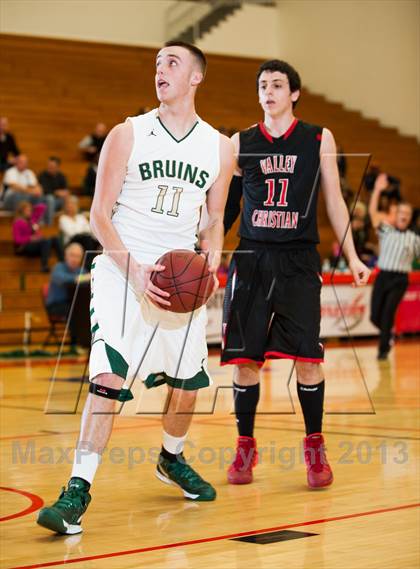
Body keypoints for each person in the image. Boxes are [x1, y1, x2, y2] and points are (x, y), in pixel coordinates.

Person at [37, 41, 235, 535]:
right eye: (156, 64)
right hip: (123, 271)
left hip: (177, 280)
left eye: (172, 63)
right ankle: (77, 490)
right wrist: (135, 271)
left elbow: (214, 219)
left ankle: (171, 459)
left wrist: (210, 259)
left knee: (188, 387)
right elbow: (99, 214)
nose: (160, 70)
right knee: (107, 377)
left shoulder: (219, 146)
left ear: (196, 77)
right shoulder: (128, 133)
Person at [222, 59, 370, 489]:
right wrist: (206, 247)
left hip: (299, 260)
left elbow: (336, 202)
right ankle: (245, 444)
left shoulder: (318, 138)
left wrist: (355, 256)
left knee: (309, 359)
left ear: (294, 93)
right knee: (245, 361)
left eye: (277, 85)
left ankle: (315, 446)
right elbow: (227, 207)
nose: (268, 91)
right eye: (262, 85)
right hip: (251, 258)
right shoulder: (241, 141)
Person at [368, 173, 420, 360]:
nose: (404, 216)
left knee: (389, 312)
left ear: (411, 217)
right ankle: (387, 335)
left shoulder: (415, 239)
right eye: (401, 213)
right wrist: (376, 191)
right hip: (383, 277)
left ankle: (383, 350)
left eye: (407, 214)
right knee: (375, 316)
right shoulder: (386, 230)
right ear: (396, 216)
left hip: (400, 279)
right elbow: (373, 214)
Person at [46, 242, 89, 344]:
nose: (75, 259)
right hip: (56, 305)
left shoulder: (81, 270)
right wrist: (80, 278)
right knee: (75, 311)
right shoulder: (58, 267)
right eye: (72, 255)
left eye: (78, 256)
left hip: (73, 304)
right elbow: (63, 279)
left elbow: (89, 280)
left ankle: (86, 342)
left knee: (85, 308)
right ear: (66, 256)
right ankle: (75, 343)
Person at [12, 201, 63, 272]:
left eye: (30, 210)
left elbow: (42, 207)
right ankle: (44, 266)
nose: (30, 212)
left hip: (37, 244)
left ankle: (62, 262)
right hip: (24, 247)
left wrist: (31, 207)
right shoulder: (18, 222)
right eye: (27, 210)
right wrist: (30, 238)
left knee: (55, 238)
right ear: (21, 211)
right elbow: (17, 240)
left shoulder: (32, 220)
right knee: (46, 241)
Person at [3, 154, 52, 224]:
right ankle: (19, 221)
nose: (24, 164)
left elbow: (36, 186)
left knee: (40, 196)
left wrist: (38, 190)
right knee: (19, 195)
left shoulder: (29, 173)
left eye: (26, 162)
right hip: (9, 200)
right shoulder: (10, 172)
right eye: (22, 162)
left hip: (26, 198)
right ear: (17, 162)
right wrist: (30, 191)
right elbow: (14, 187)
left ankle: (36, 221)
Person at [59, 196, 100, 269]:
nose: (71, 207)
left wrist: (81, 231)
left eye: (73, 205)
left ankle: (92, 264)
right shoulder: (63, 218)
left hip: (85, 240)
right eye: (69, 205)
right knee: (87, 239)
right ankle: (87, 266)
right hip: (72, 242)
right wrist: (82, 231)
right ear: (66, 207)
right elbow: (71, 233)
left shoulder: (81, 217)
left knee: (94, 240)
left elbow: (89, 230)